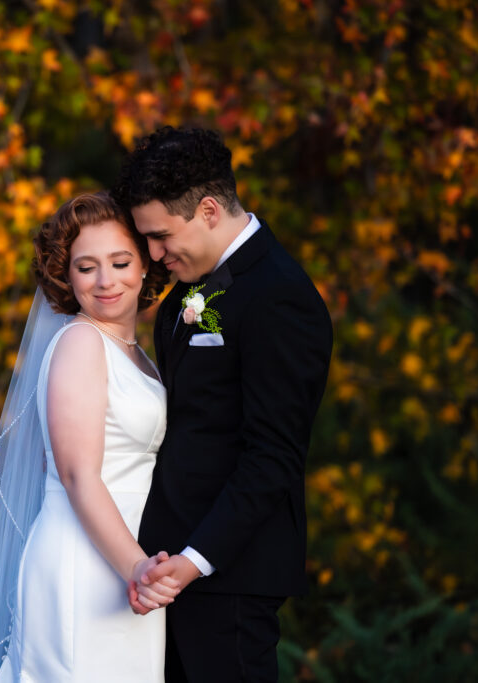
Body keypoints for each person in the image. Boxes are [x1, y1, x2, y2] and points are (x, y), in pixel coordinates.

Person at [111, 126, 333, 682]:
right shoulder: (190, 285)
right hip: (165, 569)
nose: (154, 255)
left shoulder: (280, 296)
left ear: (208, 210)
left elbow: (273, 457)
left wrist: (193, 562)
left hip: (228, 575)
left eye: (161, 236)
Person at [0, 192, 176, 682]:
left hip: (127, 561)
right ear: (66, 276)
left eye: (120, 262)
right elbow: (78, 476)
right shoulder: (80, 342)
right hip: (87, 561)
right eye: (86, 267)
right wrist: (137, 568)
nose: (105, 280)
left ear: (143, 267)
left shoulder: (138, 356)